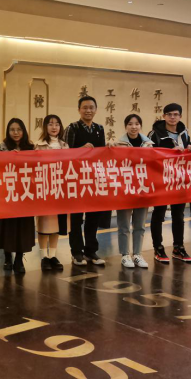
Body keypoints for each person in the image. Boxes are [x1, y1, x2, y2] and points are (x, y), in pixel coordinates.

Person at [148, 103, 191, 264]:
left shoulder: (184, 132)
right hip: (161, 179)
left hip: (179, 179)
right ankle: (158, 248)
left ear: (180, 116)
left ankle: (178, 248)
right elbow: (149, 155)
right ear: (164, 116)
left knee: (178, 215)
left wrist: (190, 148)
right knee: (159, 214)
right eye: (169, 114)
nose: (172, 117)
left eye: (175, 114)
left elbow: (187, 154)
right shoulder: (155, 133)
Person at [63, 96, 106, 266]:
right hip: (75, 179)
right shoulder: (72, 128)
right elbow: (64, 153)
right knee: (76, 218)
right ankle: (76, 252)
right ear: (79, 110)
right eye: (85, 107)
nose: (88, 110)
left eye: (91, 107)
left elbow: (102, 153)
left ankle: (91, 251)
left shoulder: (100, 128)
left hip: (93, 178)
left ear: (96, 110)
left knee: (93, 217)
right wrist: (80, 150)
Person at [0, 118, 36, 274]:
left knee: (23, 226)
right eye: (12, 129)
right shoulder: (1, 147)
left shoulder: (31, 148)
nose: (16, 132)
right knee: (7, 226)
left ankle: (19, 258)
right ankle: (7, 257)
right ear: (8, 131)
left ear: (23, 131)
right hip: (7, 193)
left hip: (25, 193)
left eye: (19, 129)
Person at [113, 114, 154, 269]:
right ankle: (125, 255)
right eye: (130, 124)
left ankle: (137, 254)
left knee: (140, 224)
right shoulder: (118, 144)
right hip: (125, 189)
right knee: (124, 225)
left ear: (140, 126)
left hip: (142, 188)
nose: (133, 127)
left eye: (137, 124)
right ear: (126, 126)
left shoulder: (149, 144)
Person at [34, 114, 69, 272]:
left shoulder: (65, 146)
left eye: (57, 124)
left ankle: (53, 255)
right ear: (45, 127)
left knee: (57, 224)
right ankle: (43, 256)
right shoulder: (38, 146)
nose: (54, 127)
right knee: (44, 223)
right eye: (50, 124)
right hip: (45, 189)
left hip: (60, 189)